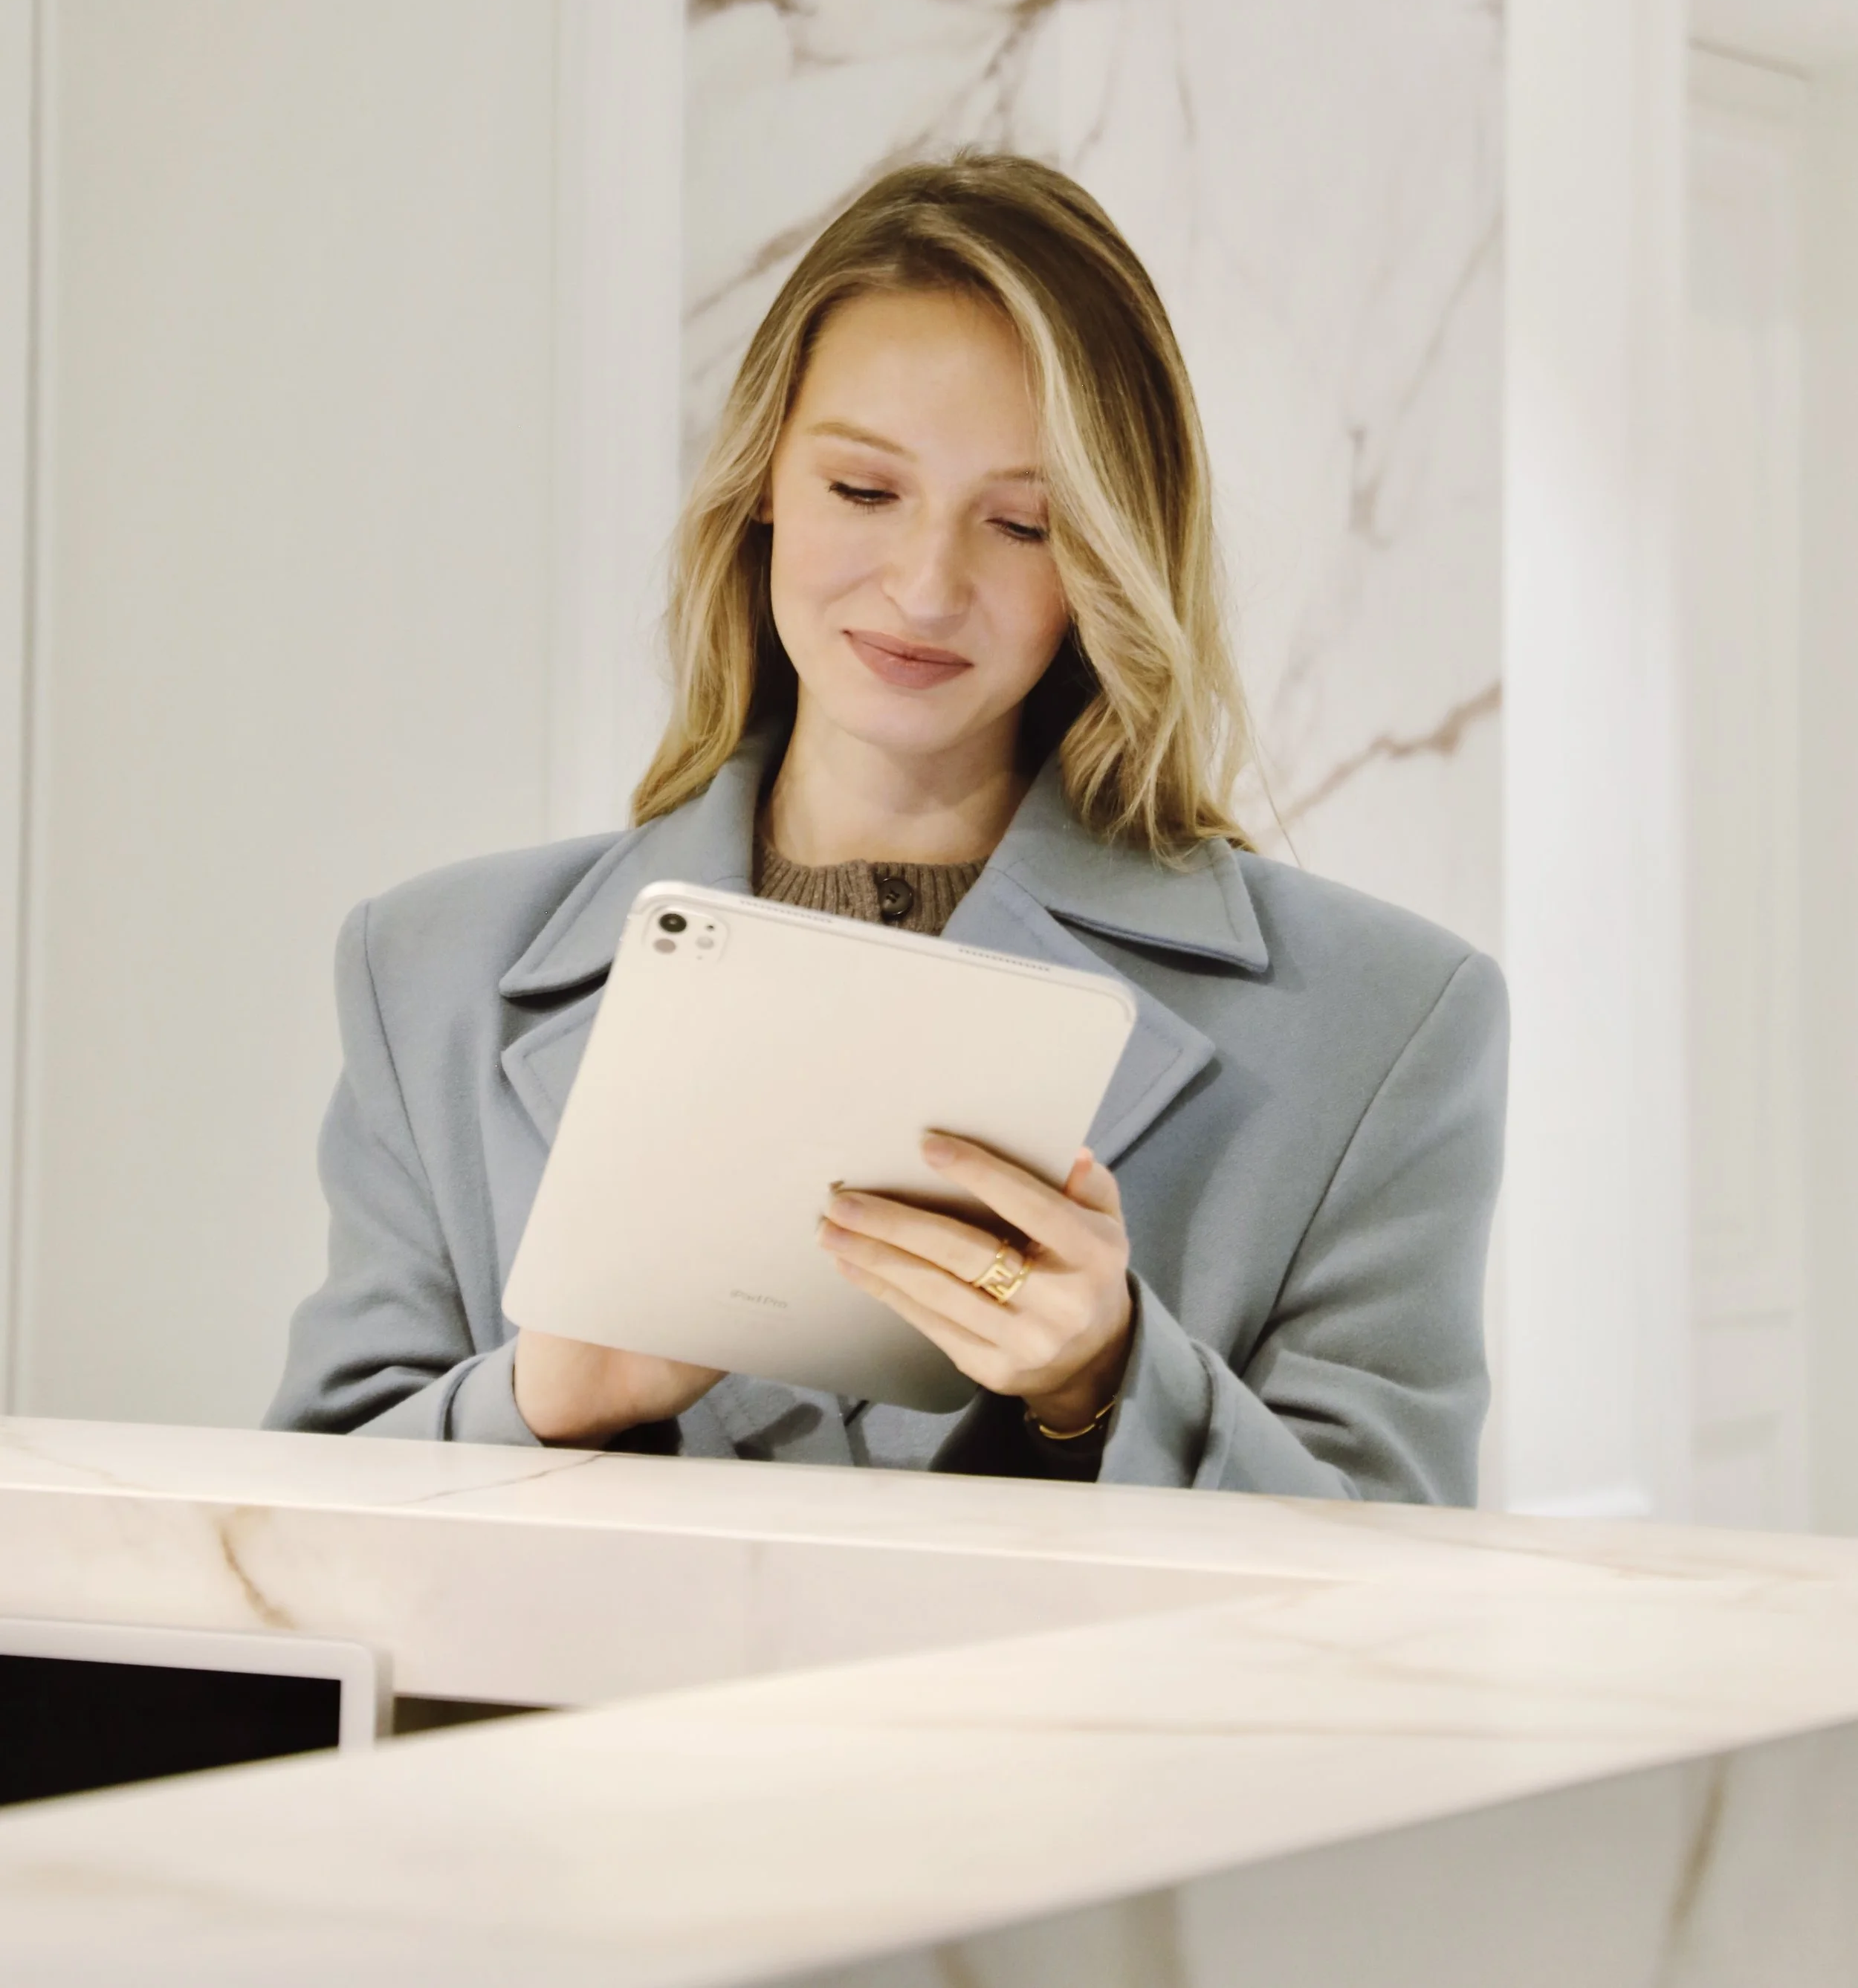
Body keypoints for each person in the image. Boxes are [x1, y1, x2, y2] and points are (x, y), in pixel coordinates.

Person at [268, 155, 1505, 1497]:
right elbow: (292, 1556)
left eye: (1023, 523)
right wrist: (545, 1396)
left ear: (1108, 557)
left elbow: (1396, 1601)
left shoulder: (1388, 1023)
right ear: (764, 485)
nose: (924, 589)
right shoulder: (429, 973)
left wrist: (1113, 1383)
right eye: (865, 492)